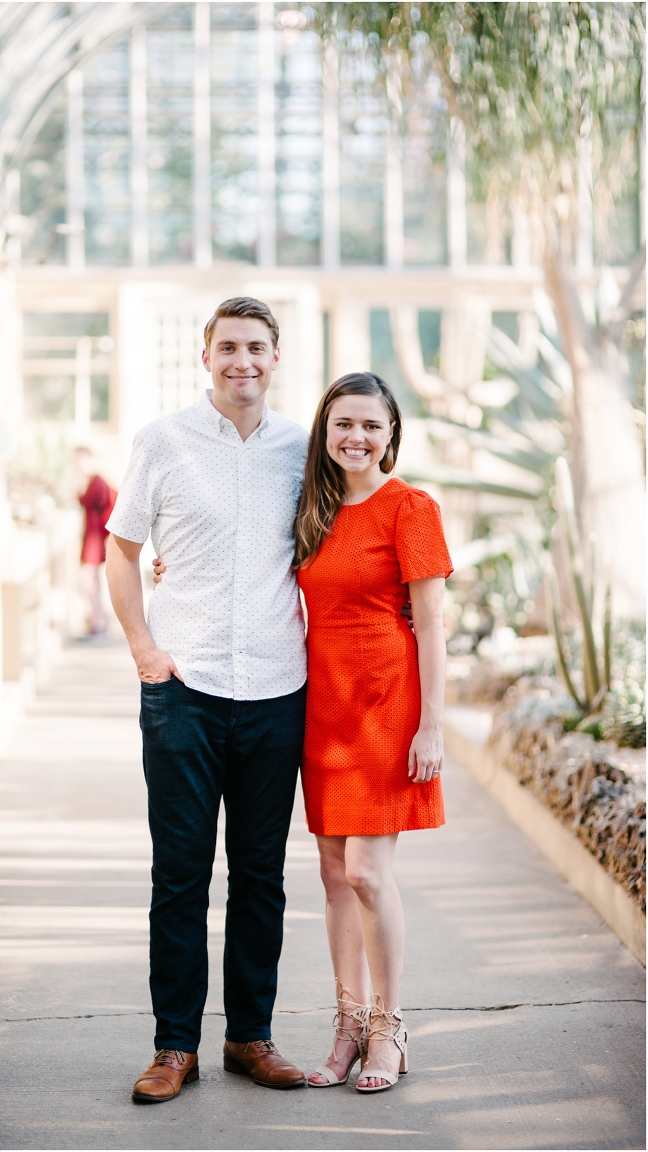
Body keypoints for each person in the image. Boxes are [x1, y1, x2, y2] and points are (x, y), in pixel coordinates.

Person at [105, 298, 310, 1104]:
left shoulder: (305, 448)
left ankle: (249, 1037)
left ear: (276, 355)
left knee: (261, 875)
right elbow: (122, 555)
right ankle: (173, 1047)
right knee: (181, 875)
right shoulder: (162, 442)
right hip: (183, 691)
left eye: (257, 347)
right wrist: (143, 649)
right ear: (206, 356)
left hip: (275, 688)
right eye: (229, 347)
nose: (243, 362)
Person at [294, 372, 452, 1094]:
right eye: (342, 425)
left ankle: (389, 1026)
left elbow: (432, 623)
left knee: (365, 871)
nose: (355, 437)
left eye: (370, 427)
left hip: (388, 707)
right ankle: (347, 1023)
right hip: (322, 710)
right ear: (324, 432)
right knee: (332, 874)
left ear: (391, 436)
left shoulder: (410, 507)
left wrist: (432, 726)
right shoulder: (310, 508)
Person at [74, 446, 114, 636]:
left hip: (94, 538)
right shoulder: (94, 481)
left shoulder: (97, 483)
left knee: (87, 579)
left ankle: (98, 621)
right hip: (92, 536)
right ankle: (98, 618)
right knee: (92, 579)